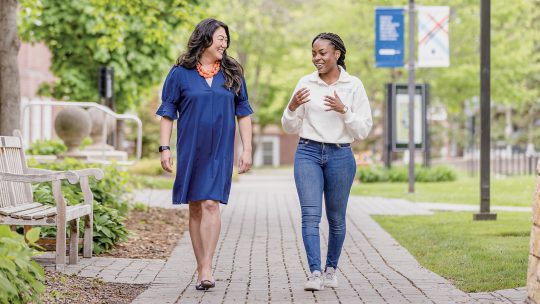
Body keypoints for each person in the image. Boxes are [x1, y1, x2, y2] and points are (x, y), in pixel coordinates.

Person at [157, 18, 253, 291]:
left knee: (212, 203)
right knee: (196, 205)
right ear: (205, 38)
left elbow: (243, 112)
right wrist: (165, 148)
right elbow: (167, 113)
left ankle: (207, 268)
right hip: (190, 148)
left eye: (226, 39)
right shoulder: (180, 73)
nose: (224, 43)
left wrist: (247, 148)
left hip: (221, 149)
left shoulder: (232, 72)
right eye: (220, 38)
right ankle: (201, 265)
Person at [281, 32, 372, 291]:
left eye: (322, 53)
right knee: (310, 215)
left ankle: (331, 269)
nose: (316, 58)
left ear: (337, 54)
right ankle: (314, 272)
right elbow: (289, 127)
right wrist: (291, 105)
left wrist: (344, 110)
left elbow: (363, 130)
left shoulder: (353, 85)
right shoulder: (305, 82)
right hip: (308, 153)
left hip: (340, 155)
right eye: (313, 53)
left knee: (336, 218)